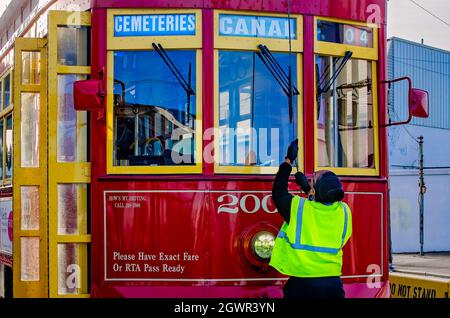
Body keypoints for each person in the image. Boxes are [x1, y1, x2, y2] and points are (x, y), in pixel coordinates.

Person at [270, 140, 352, 299]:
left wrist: (288, 162)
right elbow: (323, 204)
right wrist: (307, 189)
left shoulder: (298, 208)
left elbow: (278, 192)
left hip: (303, 283)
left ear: (315, 190)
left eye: (312, 179)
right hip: (333, 284)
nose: (310, 179)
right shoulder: (344, 211)